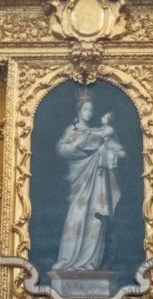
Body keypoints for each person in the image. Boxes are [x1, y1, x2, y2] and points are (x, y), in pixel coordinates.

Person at [52, 98, 123, 271]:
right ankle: (67, 258)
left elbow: (120, 152)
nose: (88, 113)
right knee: (75, 216)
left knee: (95, 218)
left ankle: (90, 262)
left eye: (91, 110)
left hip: (98, 181)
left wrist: (108, 153)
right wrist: (81, 147)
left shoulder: (99, 132)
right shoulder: (73, 130)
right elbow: (61, 149)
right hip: (79, 180)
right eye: (85, 110)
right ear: (79, 111)